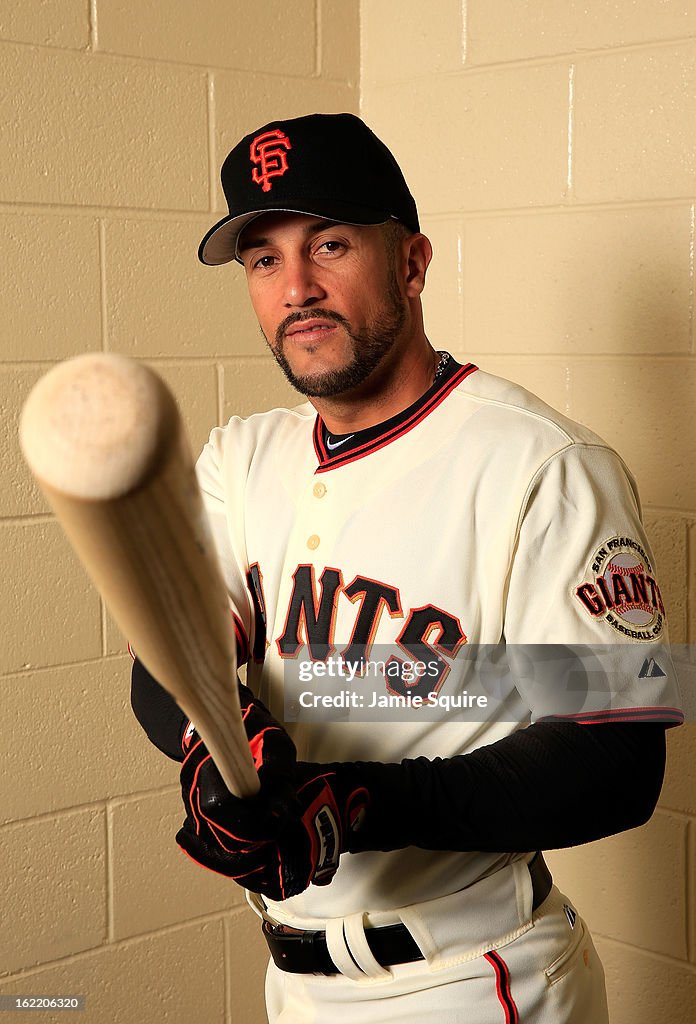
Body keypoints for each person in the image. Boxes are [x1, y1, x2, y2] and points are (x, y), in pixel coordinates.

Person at [131, 113, 682, 1023]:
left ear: (413, 264)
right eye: (263, 260)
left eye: (330, 243)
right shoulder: (241, 456)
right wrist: (215, 751)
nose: (296, 286)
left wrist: (353, 803)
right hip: (292, 982)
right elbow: (165, 653)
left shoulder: (546, 465)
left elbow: (620, 759)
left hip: (471, 978)